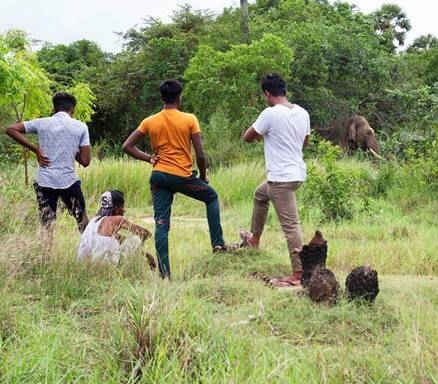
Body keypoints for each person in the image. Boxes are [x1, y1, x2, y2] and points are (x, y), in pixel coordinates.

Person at [122, 79, 229, 280]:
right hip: (183, 176)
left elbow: (127, 146)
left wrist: (149, 158)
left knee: (161, 224)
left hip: (159, 176)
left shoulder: (150, 121)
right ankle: (218, 243)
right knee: (211, 197)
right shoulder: (190, 119)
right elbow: (201, 155)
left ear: (162, 97)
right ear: (179, 97)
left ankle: (165, 275)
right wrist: (204, 176)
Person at [241, 73, 311, 287]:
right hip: (296, 173)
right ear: (285, 90)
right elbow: (305, 141)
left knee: (290, 225)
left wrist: (264, 135)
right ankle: (254, 239)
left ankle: (299, 274)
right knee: (260, 195)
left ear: (267, 93)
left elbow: (247, 136)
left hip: (281, 178)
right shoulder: (302, 112)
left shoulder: (270, 114)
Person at [5, 92, 91, 249]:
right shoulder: (80, 127)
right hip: (69, 181)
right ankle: (90, 252)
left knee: (47, 223)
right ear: (73, 109)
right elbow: (85, 161)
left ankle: (45, 259)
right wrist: (70, 148)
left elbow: (11, 129)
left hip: (45, 181)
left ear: (54, 107)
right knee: (82, 219)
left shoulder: (42, 123)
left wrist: (35, 149)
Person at [78, 190, 153, 266]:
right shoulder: (118, 219)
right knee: (135, 240)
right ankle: (130, 268)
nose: (124, 210)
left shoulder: (93, 221)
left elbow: (120, 240)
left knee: (120, 240)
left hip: (83, 265)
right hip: (104, 268)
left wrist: (144, 254)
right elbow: (145, 233)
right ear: (116, 208)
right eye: (122, 207)